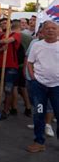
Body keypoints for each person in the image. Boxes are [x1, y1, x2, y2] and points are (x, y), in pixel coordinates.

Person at [26, 21, 59, 153]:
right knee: (39, 114)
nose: (50, 30)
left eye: (54, 28)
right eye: (47, 28)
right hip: (39, 86)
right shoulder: (37, 45)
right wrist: (34, 78)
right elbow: (30, 63)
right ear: (42, 31)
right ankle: (39, 142)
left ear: (58, 30)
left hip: (57, 87)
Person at [0, 20, 22, 119]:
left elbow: (9, 40)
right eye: (2, 23)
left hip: (11, 66)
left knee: (8, 89)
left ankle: (5, 110)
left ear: (10, 25)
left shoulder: (16, 34)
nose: (4, 24)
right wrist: (0, 47)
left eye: (6, 23)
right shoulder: (0, 35)